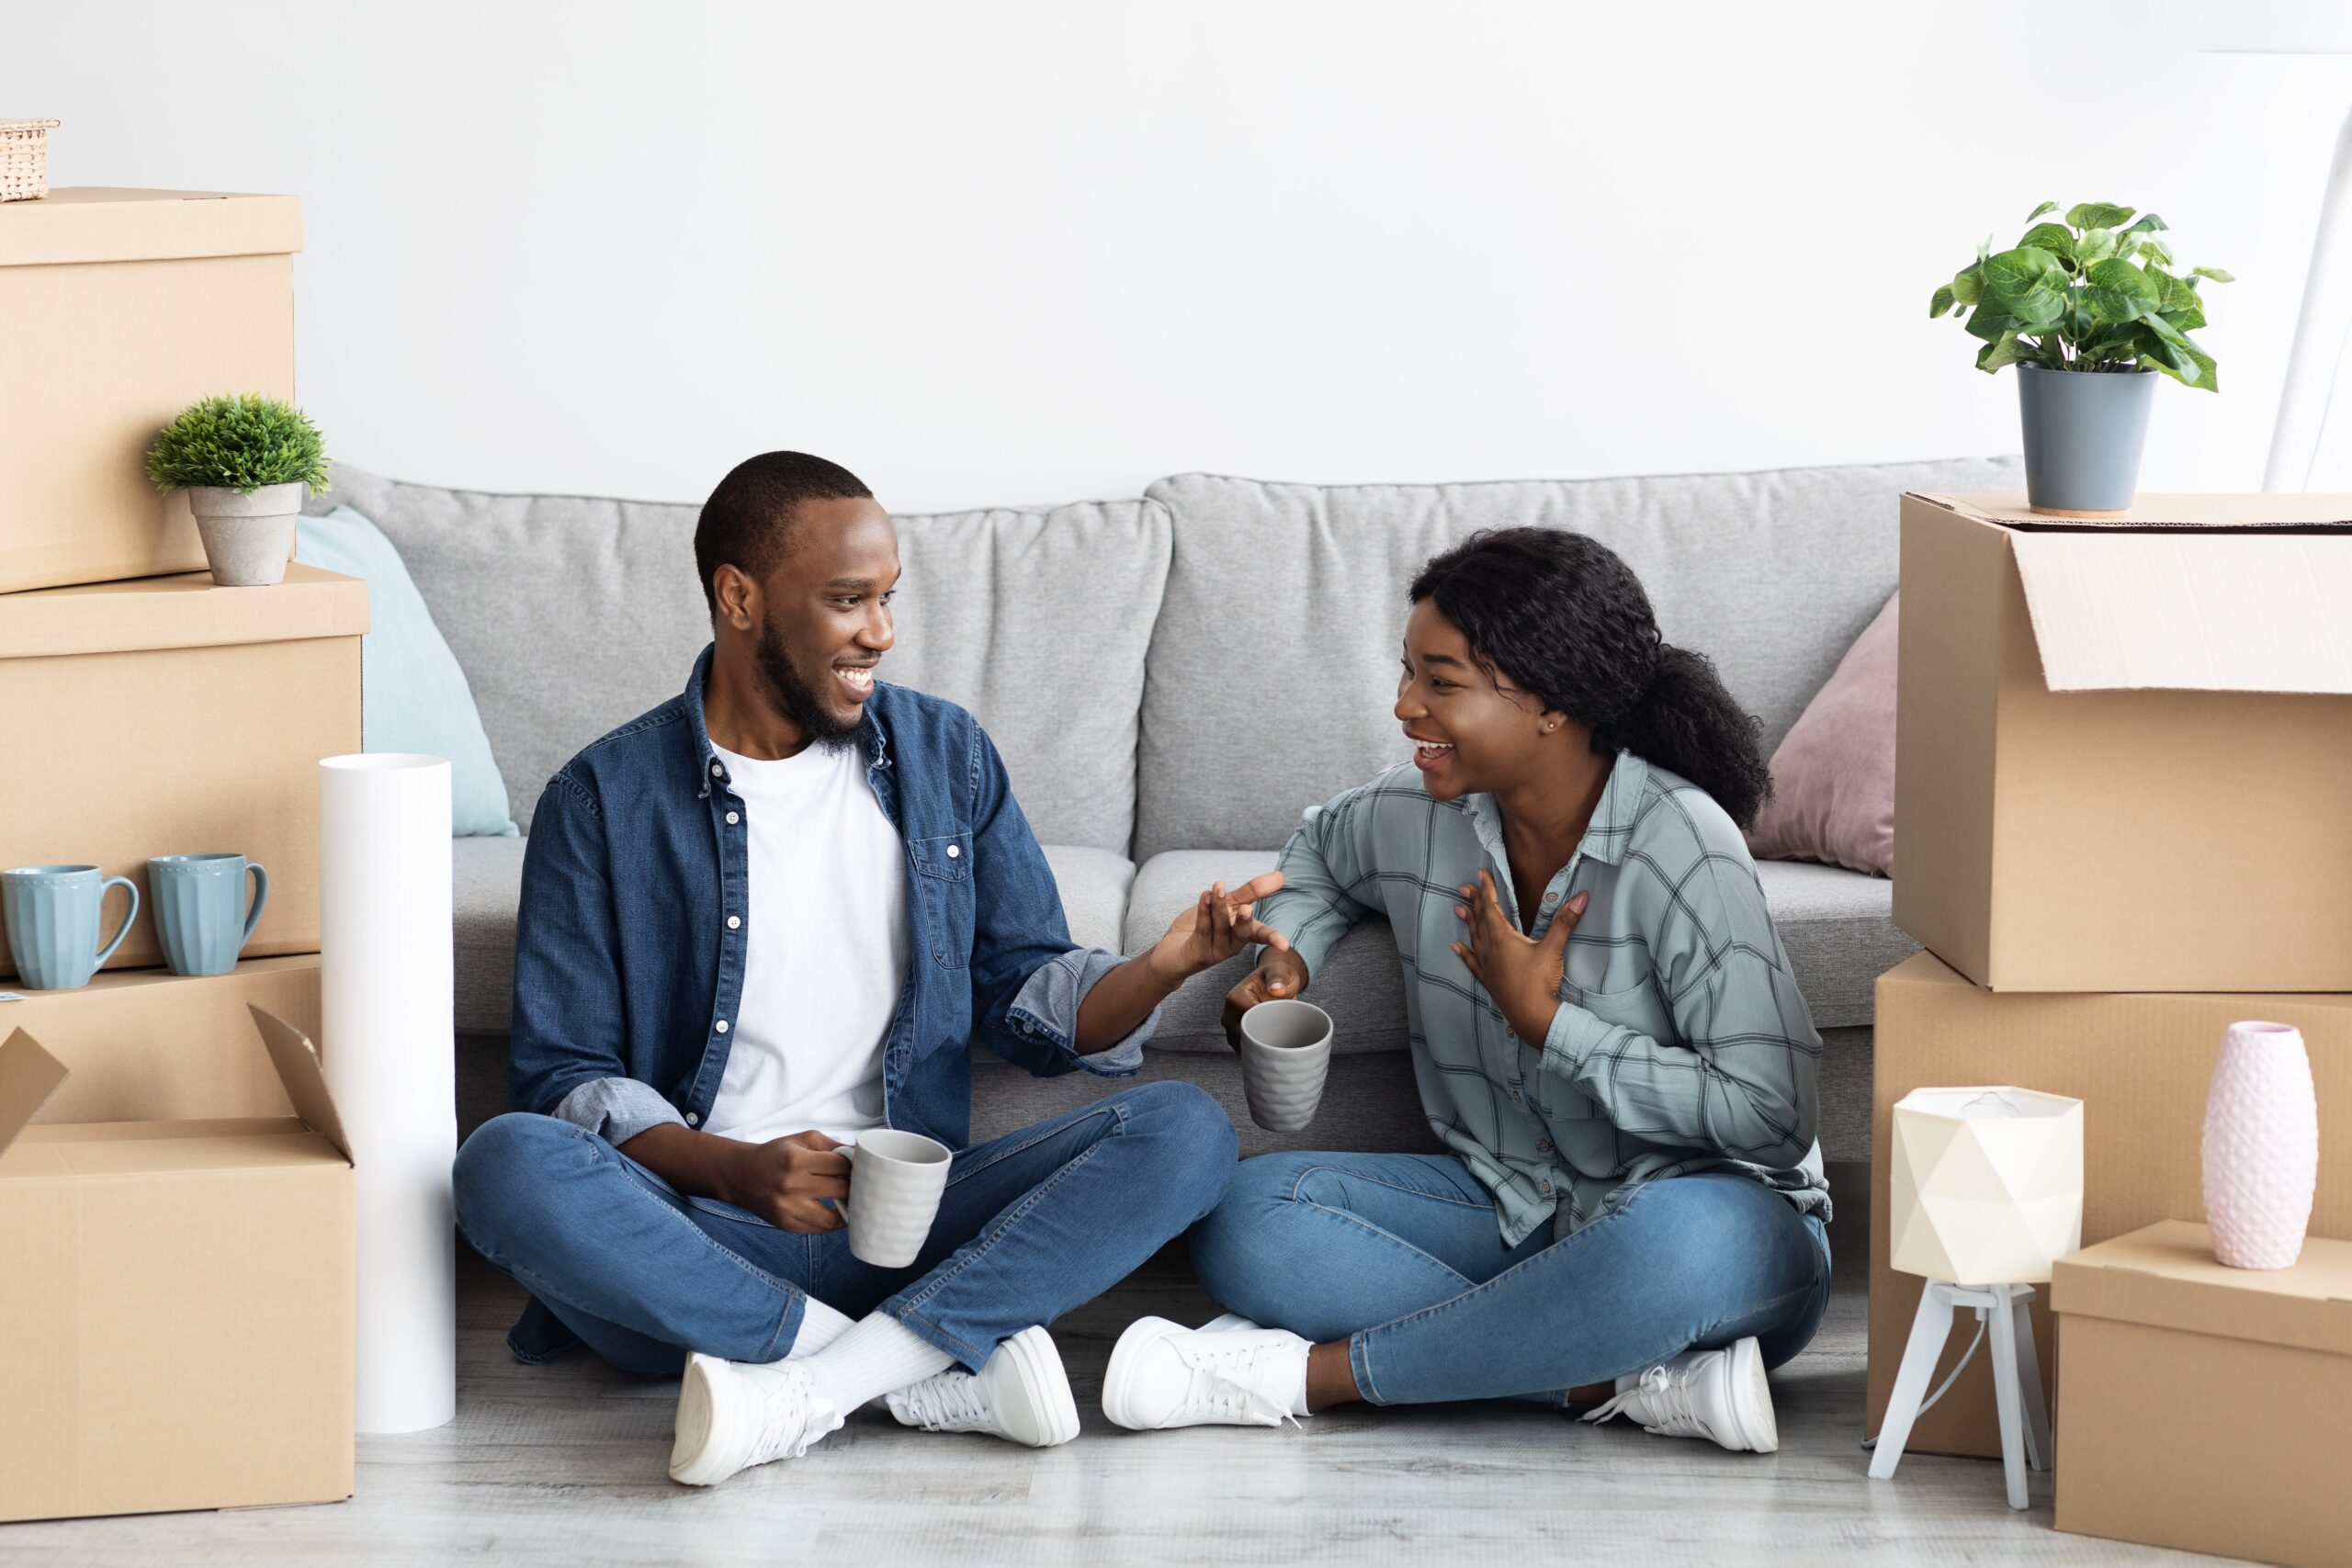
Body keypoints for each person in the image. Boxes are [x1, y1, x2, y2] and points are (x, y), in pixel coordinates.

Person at [451, 452, 1287, 1486]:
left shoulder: (947, 757)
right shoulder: (601, 799)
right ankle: (908, 1369)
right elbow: (566, 1078)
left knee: (1185, 1132)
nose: (880, 634)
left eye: (887, 599)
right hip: (702, 1241)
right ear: (739, 596)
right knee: (502, 1162)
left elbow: (1025, 991)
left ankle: (811, 1386)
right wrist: (735, 1170)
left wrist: (1163, 968)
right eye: (848, 601)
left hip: (912, 1229)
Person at [1101, 527, 1831, 1453]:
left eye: (1440, 683)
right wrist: (1285, 959)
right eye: (1407, 674)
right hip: (1511, 1207)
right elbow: (1322, 853)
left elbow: (1770, 1114)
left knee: (1665, 1251)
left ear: (1551, 705)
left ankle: (1306, 1378)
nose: (1405, 707)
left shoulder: (1680, 845)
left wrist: (1554, 1025)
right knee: (1249, 1218)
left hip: (1703, 1214)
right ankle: (1609, 1379)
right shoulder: (1415, 812)